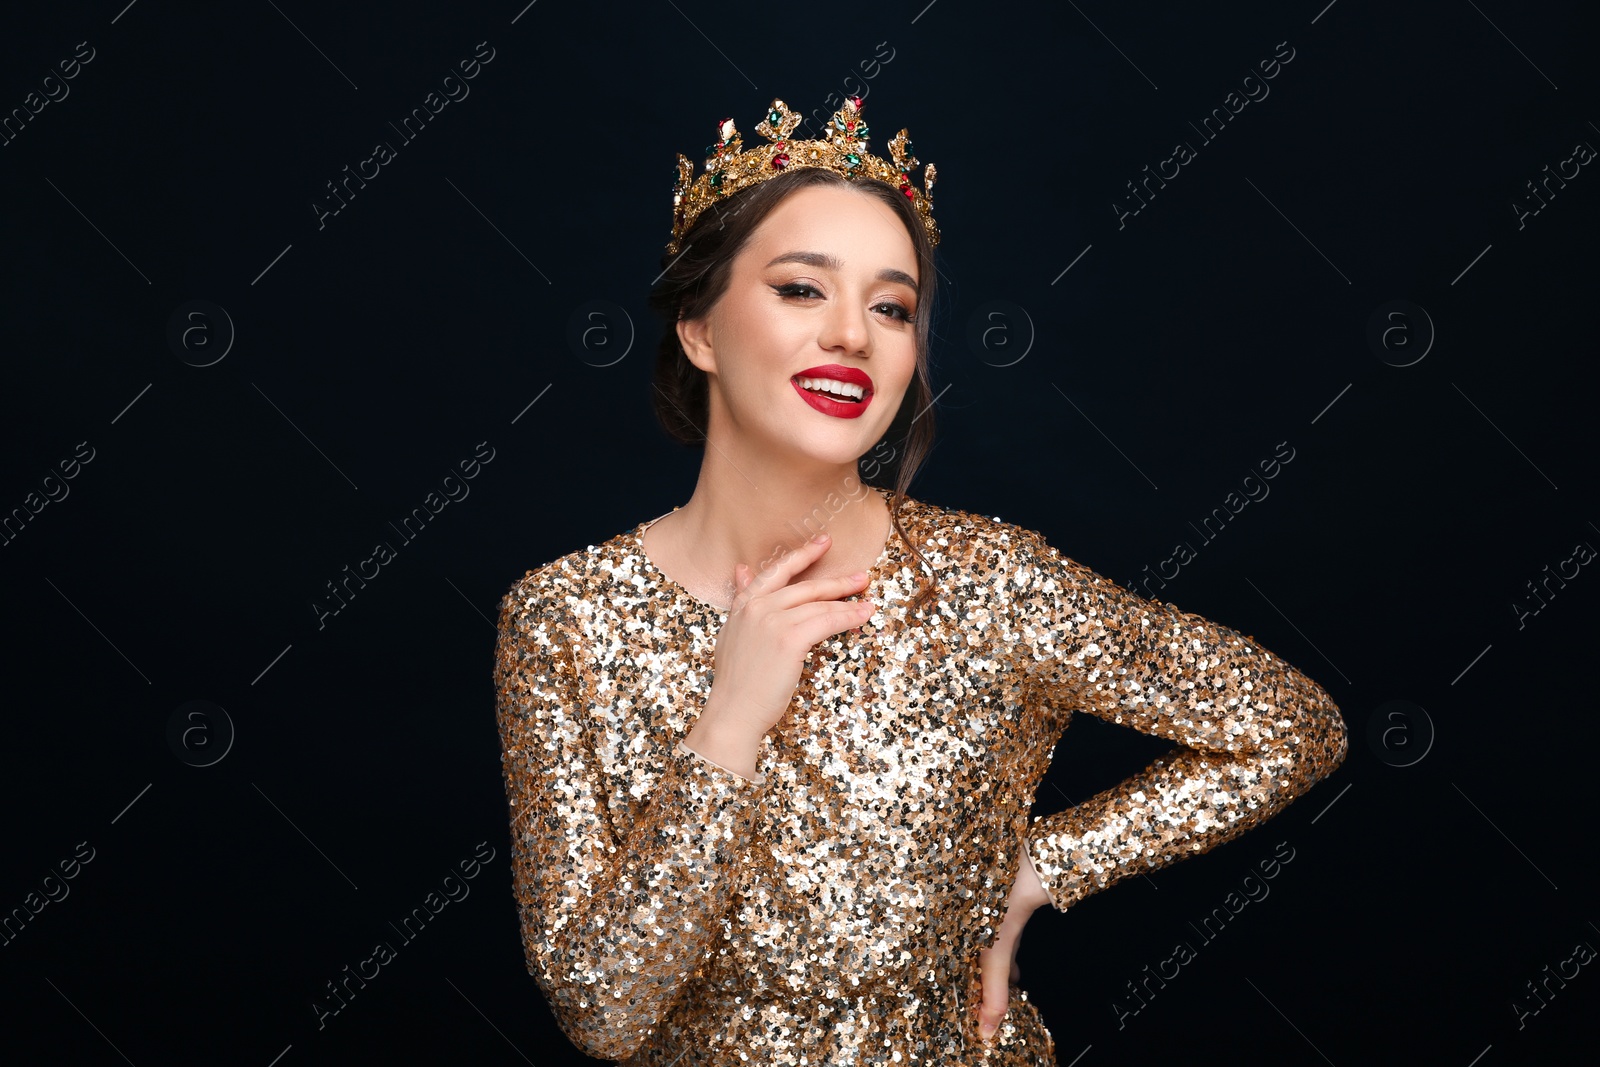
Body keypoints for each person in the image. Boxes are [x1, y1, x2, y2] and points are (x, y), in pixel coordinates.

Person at [492, 95, 1348, 1066]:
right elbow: (603, 1013)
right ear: (698, 329)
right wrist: (728, 725)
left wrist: (1040, 867)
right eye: (802, 289)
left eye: (890, 306)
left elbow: (1292, 725)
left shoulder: (991, 581)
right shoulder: (565, 615)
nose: (852, 334)